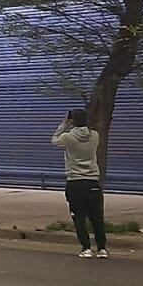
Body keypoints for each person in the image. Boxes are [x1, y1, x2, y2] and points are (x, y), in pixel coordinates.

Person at [52, 108, 107, 258]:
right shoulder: (95, 136)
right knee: (97, 217)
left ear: (72, 121)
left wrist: (64, 124)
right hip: (93, 182)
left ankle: (86, 248)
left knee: (79, 217)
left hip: (75, 182)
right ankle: (102, 248)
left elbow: (54, 140)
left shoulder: (67, 137)